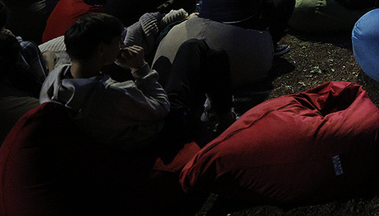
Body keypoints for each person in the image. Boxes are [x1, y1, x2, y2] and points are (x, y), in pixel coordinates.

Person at [41, 12, 235, 149]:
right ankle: (225, 119)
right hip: (162, 131)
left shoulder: (55, 77)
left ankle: (220, 113)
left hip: (116, 123)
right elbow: (162, 107)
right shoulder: (109, 93)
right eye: (118, 41)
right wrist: (139, 67)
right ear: (100, 49)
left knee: (207, 56)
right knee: (196, 48)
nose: (123, 45)